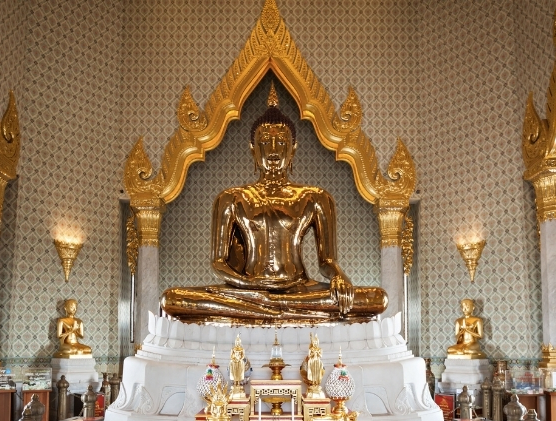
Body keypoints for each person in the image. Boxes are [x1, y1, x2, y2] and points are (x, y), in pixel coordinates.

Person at [160, 85, 387, 323]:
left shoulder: (315, 197)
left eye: (281, 141)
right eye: (265, 141)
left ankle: (269, 310)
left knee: (376, 298)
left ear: (293, 148)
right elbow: (218, 262)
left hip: (298, 290)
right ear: (253, 148)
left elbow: (327, 262)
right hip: (247, 290)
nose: (274, 149)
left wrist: (340, 278)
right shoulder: (232, 198)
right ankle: (275, 309)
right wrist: (250, 284)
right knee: (172, 299)